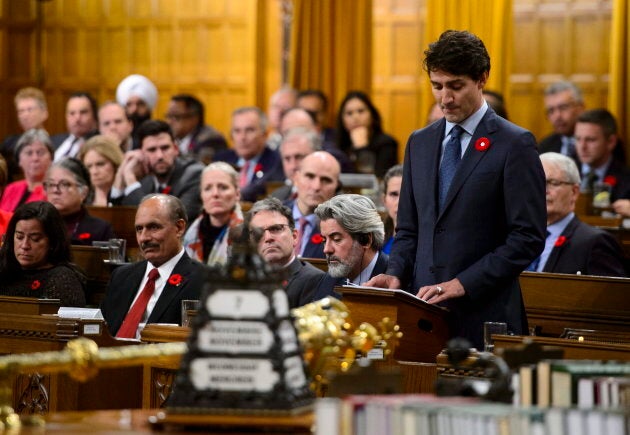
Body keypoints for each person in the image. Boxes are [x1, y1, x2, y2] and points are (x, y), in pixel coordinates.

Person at [365, 30, 547, 349]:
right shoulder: (419, 143)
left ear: (482, 78)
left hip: (485, 315)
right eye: (437, 86)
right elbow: (408, 229)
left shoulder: (514, 144)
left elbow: (527, 238)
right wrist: (396, 273)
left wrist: (464, 283)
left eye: (456, 86)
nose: (445, 98)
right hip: (421, 312)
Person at [100, 194, 206, 338]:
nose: (144, 238)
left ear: (179, 228)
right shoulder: (120, 277)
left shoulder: (204, 280)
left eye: (153, 227)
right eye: (139, 229)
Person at [528, 153, 626, 277]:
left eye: (553, 182)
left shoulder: (595, 242)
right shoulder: (520, 235)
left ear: (574, 192)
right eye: (538, 182)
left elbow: (612, 294)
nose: (544, 190)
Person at [110, 120, 204, 222]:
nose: (159, 156)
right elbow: (117, 219)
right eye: (152, 150)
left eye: (165, 148)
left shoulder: (194, 175)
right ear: (141, 154)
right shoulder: (145, 181)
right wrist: (121, 173)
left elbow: (167, 221)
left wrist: (130, 178)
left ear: (176, 149)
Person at [0, 201, 86, 307]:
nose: (25, 245)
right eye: (19, 237)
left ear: (52, 242)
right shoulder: (4, 267)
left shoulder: (62, 280)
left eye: (35, 239)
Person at [246, 197, 324, 308]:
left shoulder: (315, 281)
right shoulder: (243, 278)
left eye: (276, 228)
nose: (268, 237)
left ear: (295, 236)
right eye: (258, 232)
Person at [310, 194, 388, 303]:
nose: (326, 249)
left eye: (336, 239)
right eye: (324, 240)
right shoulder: (328, 281)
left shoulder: (395, 278)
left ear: (366, 240)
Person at [214, 107, 284, 202]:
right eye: (237, 131)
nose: (242, 137)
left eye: (249, 130)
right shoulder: (221, 160)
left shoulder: (275, 161)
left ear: (265, 134)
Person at [183, 162, 243, 266]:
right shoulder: (189, 231)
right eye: (208, 188)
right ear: (201, 195)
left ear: (237, 194)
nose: (215, 194)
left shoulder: (248, 234)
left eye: (223, 187)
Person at [44, 158, 115, 245]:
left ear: (83, 192)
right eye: (51, 184)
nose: (55, 190)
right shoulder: (37, 225)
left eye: (65, 184)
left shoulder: (101, 230)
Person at [287, 151, 341, 259]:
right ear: (296, 178)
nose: (316, 186)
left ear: (337, 186)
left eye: (326, 180)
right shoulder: (272, 216)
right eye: (310, 176)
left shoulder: (341, 229)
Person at [335, 90, 398, 178]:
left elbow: (379, 181)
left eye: (361, 111)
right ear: (342, 120)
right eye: (349, 113)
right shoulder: (338, 143)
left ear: (372, 115)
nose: (355, 117)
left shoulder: (387, 143)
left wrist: (362, 149)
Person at [574, 109, 630, 200]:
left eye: (590, 140)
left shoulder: (626, 181)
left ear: (611, 142)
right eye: (578, 139)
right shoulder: (566, 174)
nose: (582, 147)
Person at [2, 87, 49, 181]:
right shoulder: (8, 144)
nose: (25, 115)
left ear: (44, 113)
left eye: (30, 110)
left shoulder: (56, 144)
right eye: (21, 111)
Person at [165, 94, 228, 165]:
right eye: (168, 116)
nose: (169, 122)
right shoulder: (169, 138)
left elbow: (199, 166)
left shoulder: (211, 139)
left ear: (194, 118)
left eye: (176, 116)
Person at [0, 129, 53, 212]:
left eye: (40, 152)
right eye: (29, 153)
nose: (35, 158)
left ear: (51, 159)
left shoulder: (53, 192)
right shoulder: (10, 189)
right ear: (19, 160)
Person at [537, 81, 584, 161]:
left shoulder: (596, 145)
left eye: (563, 107)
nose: (557, 116)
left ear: (580, 108)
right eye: (551, 110)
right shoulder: (544, 148)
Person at [271, 127, 321, 201]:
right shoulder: (275, 198)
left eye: (299, 157)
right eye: (287, 159)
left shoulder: (336, 201)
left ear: (317, 155)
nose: (293, 166)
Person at [77, 135, 124, 206]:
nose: (94, 172)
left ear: (115, 164)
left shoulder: (129, 197)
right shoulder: (80, 200)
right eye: (89, 167)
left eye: (100, 164)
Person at [52, 92, 99, 161]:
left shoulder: (99, 145)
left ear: (94, 116)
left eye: (83, 112)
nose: (77, 118)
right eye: (72, 113)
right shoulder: (53, 141)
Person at [116, 74, 158, 147]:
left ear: (149, 107)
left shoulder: (159, 134)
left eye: (140, 104)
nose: (134, 109)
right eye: (129, 104)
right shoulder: (117, 139)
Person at [381, 164, 403, 255]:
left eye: (406, 194)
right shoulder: (374, 242)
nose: (400, 201)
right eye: (394, 194)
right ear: (384, 199)